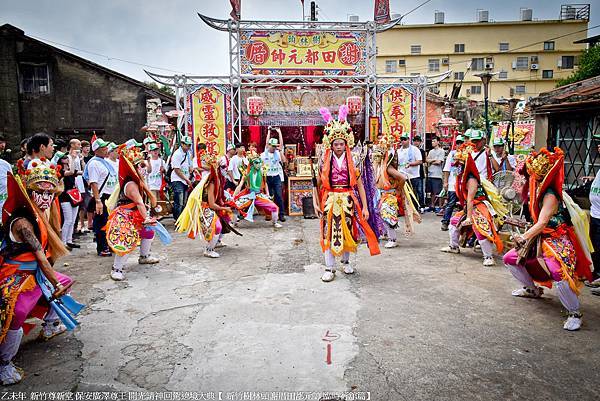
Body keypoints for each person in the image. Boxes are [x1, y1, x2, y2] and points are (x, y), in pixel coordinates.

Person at [0, 163, 84, 385]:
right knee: (15, 314)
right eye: (41, 192)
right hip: (15, 278)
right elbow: (40, 257)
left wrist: (57, 282)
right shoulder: (24, 222)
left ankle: (50, 326)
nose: (46, 197)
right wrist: (55, 282)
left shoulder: (37, 215)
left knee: (65, 284)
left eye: (50, 192)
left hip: (34, 275)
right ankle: (4, 364)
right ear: (29, 192)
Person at [503, 148, 593, 331]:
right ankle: (532, 290)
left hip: (555, 236)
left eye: (528, 173)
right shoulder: (536, 188)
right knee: (510, 259)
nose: (525, 178)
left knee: (557, 271)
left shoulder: (550, 193)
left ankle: (574, 312)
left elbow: (543, 222)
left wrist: (523, 236)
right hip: (538, 235)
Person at [314, 105, 380, 282]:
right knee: (329, 233)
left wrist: (365, 207)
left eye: (341, 143)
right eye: (335, 143)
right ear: (331, 144)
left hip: (349, 200)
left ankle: (345, 261)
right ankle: (329, 267)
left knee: (348, 232)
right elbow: (317, 184)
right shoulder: (324, 161)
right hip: (329, 200)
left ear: (346, 144)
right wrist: (315, 203)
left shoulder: (354, 161)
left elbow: (360, 186)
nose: (338, 146)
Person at [105, 147, 170, 281]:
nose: (145, 168)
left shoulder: (139, 181)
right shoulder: (131, 184)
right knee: (125, 239)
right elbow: (139, 203)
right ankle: (116, 268)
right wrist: (146, 217)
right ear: (134, 168)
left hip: (136, 213)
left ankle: (144, 256)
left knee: (148, 231)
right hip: (126, 216)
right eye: (141, 166)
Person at [440, 142, 507, 267]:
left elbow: (471, 199)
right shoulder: (462, 176)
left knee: (480, 228)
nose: (457, 166)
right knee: (454, 222)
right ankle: (454, 246)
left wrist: (469, 217)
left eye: (459, 164)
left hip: (480, 205)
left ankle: (488, 256)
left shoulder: (471, 179)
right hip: (470, 206)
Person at [176, 149, 237, 258]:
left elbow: (219, 198)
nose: (226, 170)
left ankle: (217, 241)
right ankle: (208, 249)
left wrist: (227, 204)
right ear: (216, 168)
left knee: (227, 218)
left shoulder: (219, 180)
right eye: (223, 167)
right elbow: (212, 204)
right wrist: (225, 208)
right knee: (217, 226)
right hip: (206, 208)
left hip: (213, 206)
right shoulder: (212, 182)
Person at [372, 133, 421, 249]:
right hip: (382, 194)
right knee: (382, 215)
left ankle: (393, 239)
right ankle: (386, 234)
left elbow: (402, 178)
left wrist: (398, 190)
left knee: (388, 216)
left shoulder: (388, 167)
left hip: (389, 195)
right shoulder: (381, 166)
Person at [229, 151, 282, 229]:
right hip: (248, 194)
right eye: (256, 163)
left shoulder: (262, 171)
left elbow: (265, 183)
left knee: (274, 207)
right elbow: (240, 186)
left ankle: (275, 222)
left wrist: (267, 194)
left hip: (258, 195)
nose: (259, 164)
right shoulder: (246, 174)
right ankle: (233, 223)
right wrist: (234, 197)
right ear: (252, 164)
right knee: (235, 206)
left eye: (260, 162)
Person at [83, 138, 117, 257]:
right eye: (103, 148)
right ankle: (102, 247)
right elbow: (93, 183)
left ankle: (109, 244)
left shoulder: (104, 161)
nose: (106, 150)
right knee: (101, 223)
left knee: (109, 222)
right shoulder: (94, 163)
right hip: (101, 197)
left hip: (110, 197)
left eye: (106, 147)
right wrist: (98, 201)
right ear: (96, 150)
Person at [441, 135, 465, 231]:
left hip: (464, 184)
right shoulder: (452, 154)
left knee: (464, 205)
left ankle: (462, 224)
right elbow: (447, 169)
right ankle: (445, 222)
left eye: (461, 143)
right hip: (453, 184)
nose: (459, 145)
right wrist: (445, 182)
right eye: (458, 143)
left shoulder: (468, 154)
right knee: (450, 204)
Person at [262, 128, 287, 223]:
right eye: (272, 146)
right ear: (269, 146)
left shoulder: (278, 153)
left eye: (275, 146)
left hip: (276, 177)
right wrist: (268, 131)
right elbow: (266, 141)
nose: (273, 148)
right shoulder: (264, 153)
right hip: (267, 177)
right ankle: (270, 214)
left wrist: (279, 132)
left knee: (279, 196)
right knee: (269, 196)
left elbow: (284, 161)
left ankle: (281, 214)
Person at [57, 152, 81, 249]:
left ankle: (69, 240)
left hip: (74, 196)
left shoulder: (70, 169)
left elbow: (80, 171)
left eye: (67, 157)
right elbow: (71, 172)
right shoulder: (60, 171)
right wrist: (73, 159)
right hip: (65, 197)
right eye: (65, 158)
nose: (67, 159)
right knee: (68, 220)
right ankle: (63, 242)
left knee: (73, 220)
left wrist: (81, 160)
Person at [396, 133, 423, 212]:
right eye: (402, 140)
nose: (403, 141)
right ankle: (403, 209)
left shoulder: (415, 149)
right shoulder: (398, 151)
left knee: (413, 193)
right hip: (401, 175)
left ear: (408, 140)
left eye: (405, 139)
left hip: (413, 175)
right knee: (403, 193)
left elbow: (420, 161)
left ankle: (414, 209)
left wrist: (411, 164)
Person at [170, 136, 193, 221]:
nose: (188, 147)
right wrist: (186, 179)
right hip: (177, 179)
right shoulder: (177, 154)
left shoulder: (188, 154)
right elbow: (177, 170)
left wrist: (192, 170)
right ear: (182, 144)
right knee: (179, 201)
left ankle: (183, 219)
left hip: (186, 180)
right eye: (186, 145)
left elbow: (190, 166)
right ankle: (177, 219)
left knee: (184, 202)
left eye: (189, 145)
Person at [426, 136, 445, 211]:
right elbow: (427, 160)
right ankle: (432, 205)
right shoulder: (431, 151)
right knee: (432, 192)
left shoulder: (441, 151)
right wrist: (434, 160)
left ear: (438, 142)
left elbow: (439, 162)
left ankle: (440, 206)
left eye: (434, 141)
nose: (432, 143)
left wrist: (431, 161)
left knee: (439, 192)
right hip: (431, 173)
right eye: (432, 141)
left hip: (438, 174)